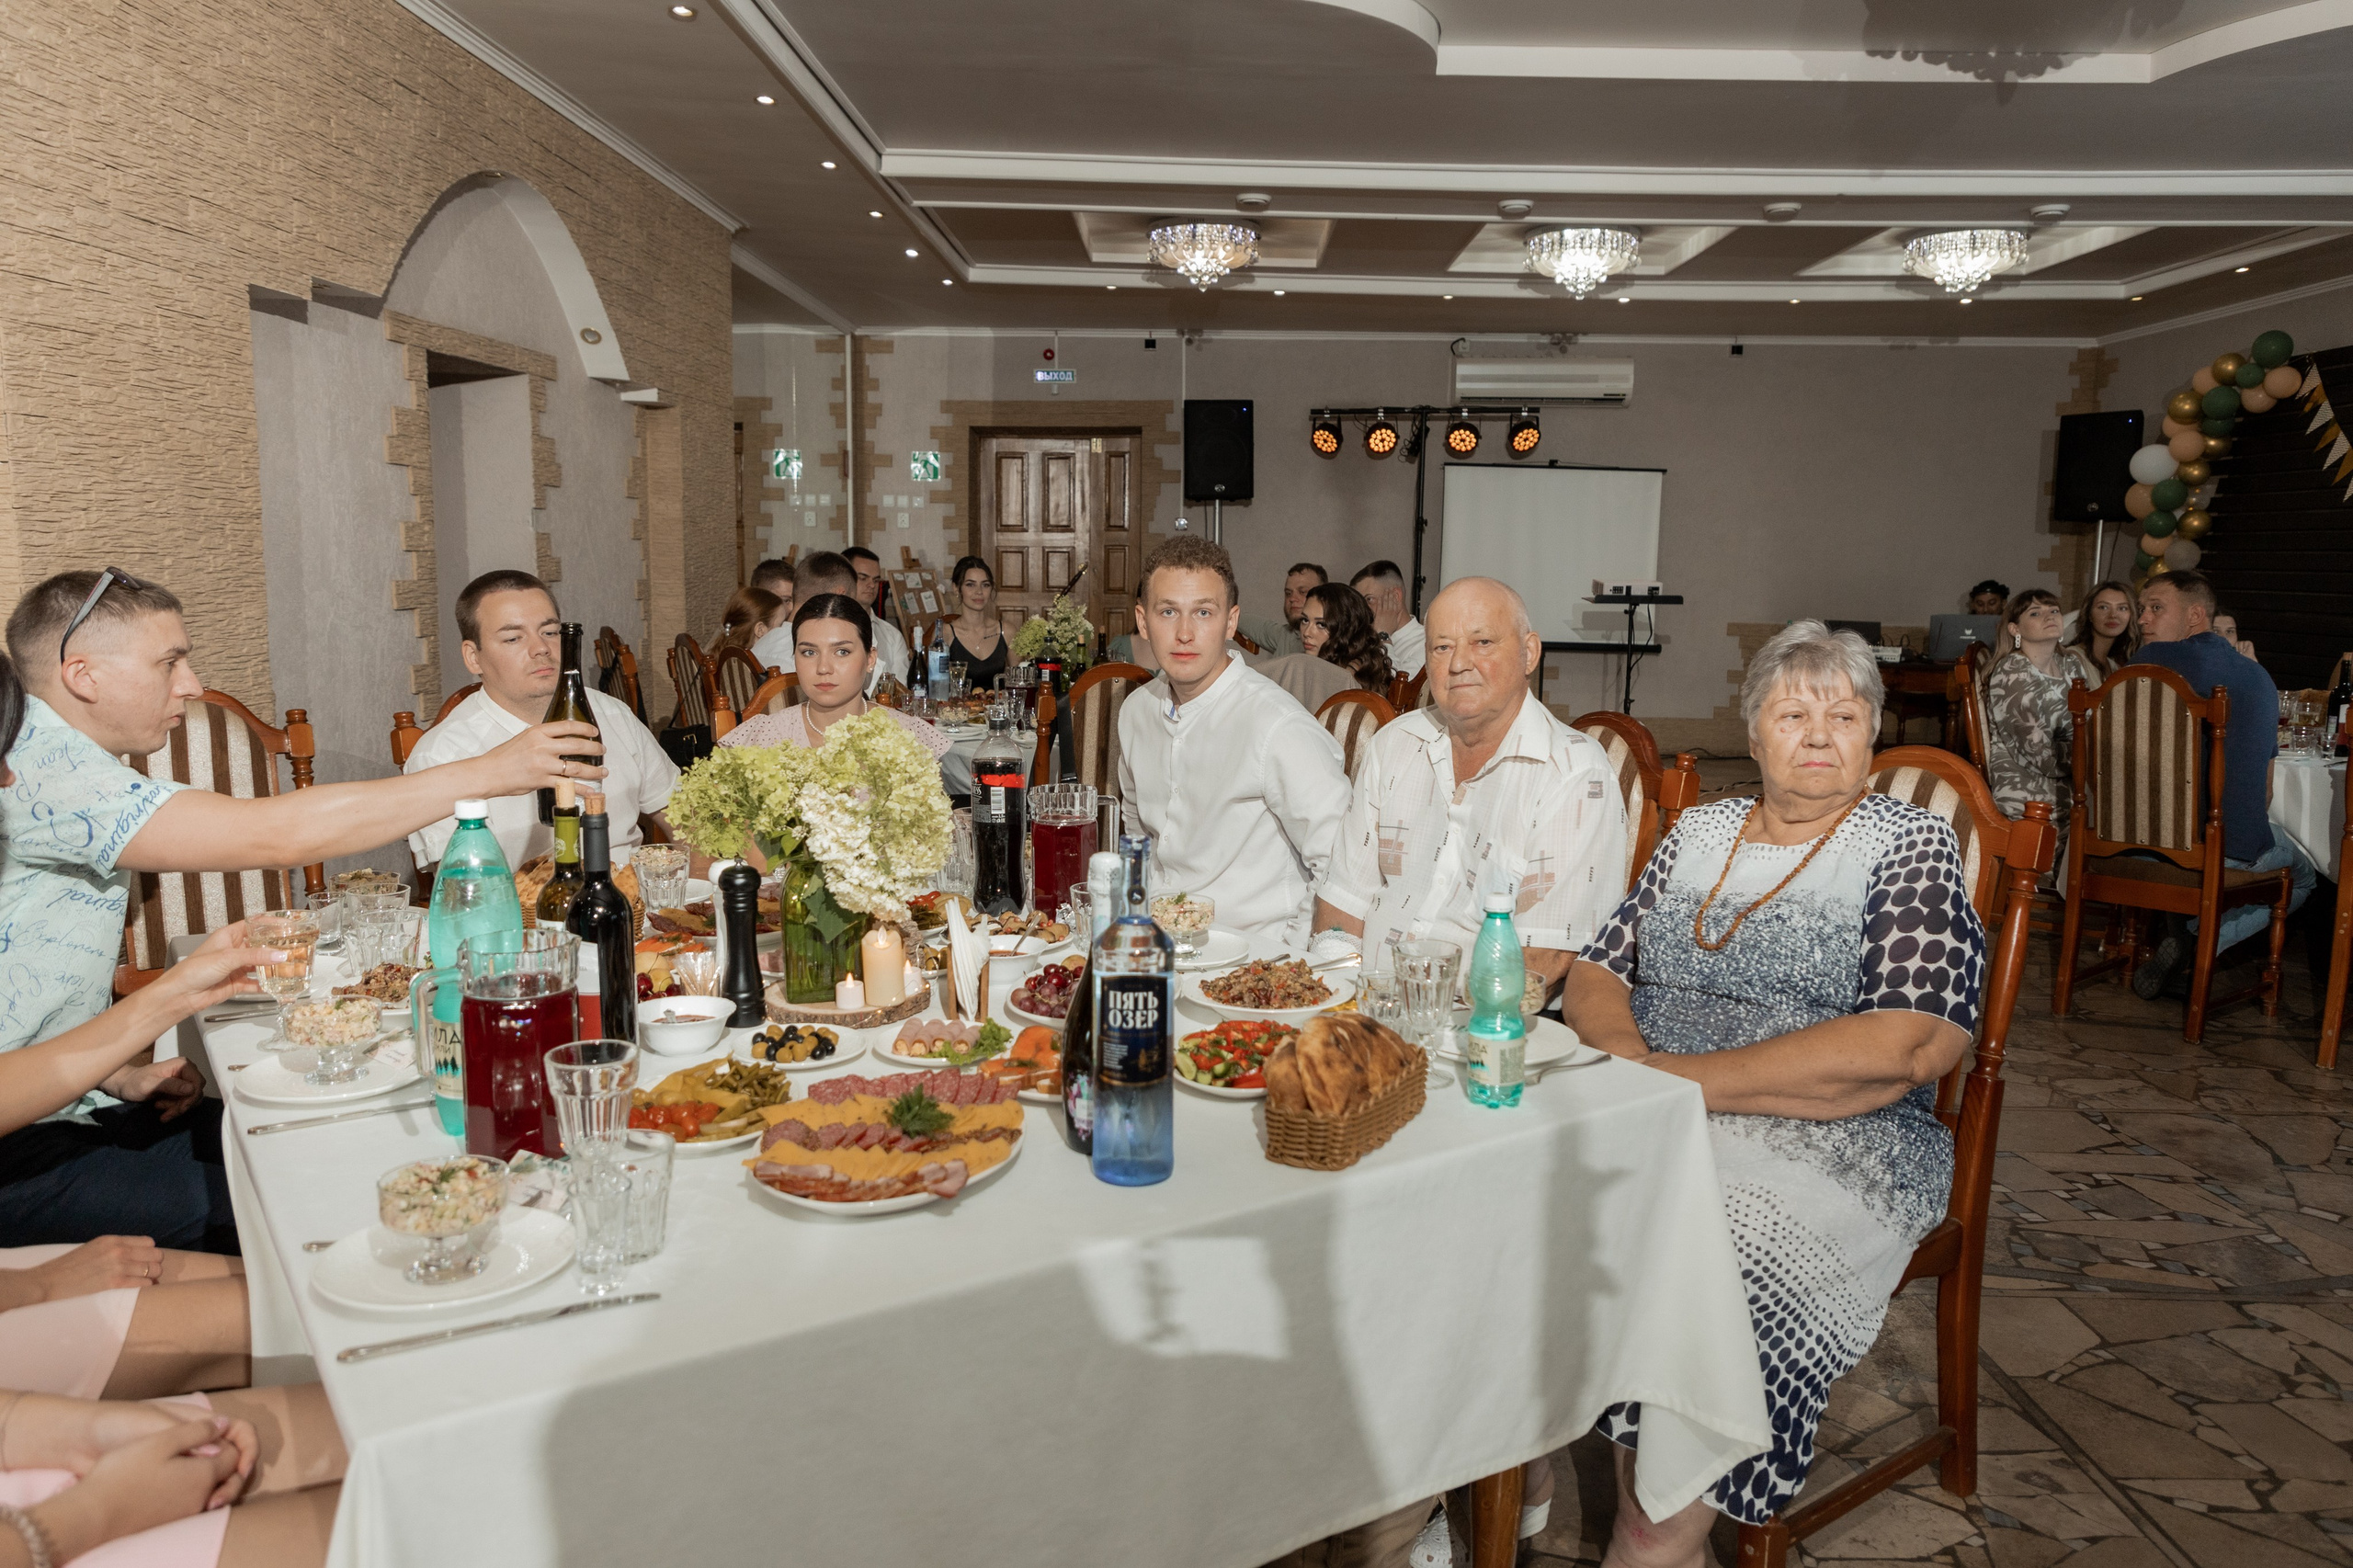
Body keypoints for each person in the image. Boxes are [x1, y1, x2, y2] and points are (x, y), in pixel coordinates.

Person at [1561, 619, 1988, 1561]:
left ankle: (1656, 1521)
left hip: (1837, 1140)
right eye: (1793, 713)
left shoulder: (1907, 844)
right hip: (1653, 1103)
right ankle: (1504, 1447)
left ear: (1871, 734)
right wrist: (1634, 1065)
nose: (1820, 733)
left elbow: (1904, 1042)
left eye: (1844, 713)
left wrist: (1678, 1083)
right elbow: (1595, 972)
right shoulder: (1700, 828)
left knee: (1722, 1250)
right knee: (1510, 1183)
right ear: (1752, 735)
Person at [0, 571, 592, 1248]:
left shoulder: (57, 755)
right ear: (83, 675)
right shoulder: (44, 767)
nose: (192, 685)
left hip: (63, 1104)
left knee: (334, 1145)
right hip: (22, 1152)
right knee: (319, 1197)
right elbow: (274, 835)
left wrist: (115, 1071)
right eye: (169, 662)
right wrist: (492, 769)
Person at [1313, 577, 1626, 999]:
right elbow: (1345, 901)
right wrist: (1338, 997)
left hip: (1479, 1024)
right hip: (1366, 1006)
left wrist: (1435, 1019)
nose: (1459, 663)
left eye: (1482, 642)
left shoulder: (1574, 773)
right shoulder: (1395, 744)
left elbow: (1543, 960)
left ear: (1529, 652)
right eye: (1442, 647)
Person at [1120, 538, 1352, 952]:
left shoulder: (1277, 726)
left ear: (1231, 622)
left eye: (1204, 613)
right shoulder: (1136, 712)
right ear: (1142, 620)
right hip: (1158, 948)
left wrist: (1289, 955)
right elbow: (1138, 833)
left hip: (1252, 960)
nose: (1185, 633)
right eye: (1168, 611)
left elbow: (1341, 861)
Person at [404, 570, 676, 876]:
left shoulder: (613, 715)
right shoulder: (442, 755)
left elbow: (688, 825)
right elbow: (465, 892)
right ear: (473, 657)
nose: (541, 648)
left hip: (630, 905)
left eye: (550, 632)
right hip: (523, 913)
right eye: (513, 638)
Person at [2128, 570, 2313, 997]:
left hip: (2133, 843)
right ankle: (2197, 943)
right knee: (2303, 875)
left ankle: (2185, 935)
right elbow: (2263, 793)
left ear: (2195, 615)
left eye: (2156, 608)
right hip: (2216, 848)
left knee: (2197, 839)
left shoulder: (2140, 666)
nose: (2142, 620)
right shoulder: (2257, 677)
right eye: (2142, 609)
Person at [0, 1383, 347, 1564]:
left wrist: (83, 1427)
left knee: (361, 1413)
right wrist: (98, 1510)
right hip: (45, 1543)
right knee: (380, 1519)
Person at [720, 594, 953, 767]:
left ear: (870, 659)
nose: (823, 668)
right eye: (809, 652)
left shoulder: (908, 736)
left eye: (842, 652)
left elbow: (931, 826)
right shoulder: (763, 736)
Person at [1979, 589, 2102, 876]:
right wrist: (2096, 764)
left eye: (2054, 611)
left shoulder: (2071, 663)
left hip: (2074, 783)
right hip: (2029, 789)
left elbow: (2095, 720)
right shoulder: (2013, 670)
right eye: (2036, 613)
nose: (2049, 616)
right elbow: (2041, 754)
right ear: (2014, 628)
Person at [751, 551, 910, 698]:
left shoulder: (760, 646)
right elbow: (882, 700)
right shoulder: (834, 660)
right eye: (851, 602)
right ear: (839, 597)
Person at [1298, 582, 1393, 694]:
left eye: (1321, 624)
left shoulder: (1346, 678)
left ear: (1346, 629)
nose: (1307, 633)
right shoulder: (1317, 667)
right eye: (1305, 620)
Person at [939, 557, 1009, 691]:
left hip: (997, 710)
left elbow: (1019, 685)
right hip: (958, 709)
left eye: (985, 585)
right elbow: (935, 686)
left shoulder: (1006, 631)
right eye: (970, 584)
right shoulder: (945, 634)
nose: (979, 591)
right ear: (956, 588)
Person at [1349, 561, 1425, 681]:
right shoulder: (1362, 640)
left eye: (1369, 599)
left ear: (1395, 596)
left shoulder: (1425, 643)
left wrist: (1383, 636)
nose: (1362, 609)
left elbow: (1395, 691)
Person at [1238, 562, 1325, 657]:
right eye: (1288, 593)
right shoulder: (1285, 635)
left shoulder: (1336, 643)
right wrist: (1228, 615)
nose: (1292, 598)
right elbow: (1253, 625)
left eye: (1302, 592)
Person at [2065, 579, 2138, 674]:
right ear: (2089, 614)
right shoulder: (2072, 658)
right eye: (2103, 607)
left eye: (2122, 608)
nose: (2113, 615)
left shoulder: (2115, 667)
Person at [714, 586, 787, 654]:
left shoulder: (722, 654)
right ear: (760, 630)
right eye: (781, 624)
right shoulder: (765, 663)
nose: (785, 628)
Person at [844, 546, 898, 632]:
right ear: (844, 579)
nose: (872, 585)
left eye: (876, 580)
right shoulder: (822, 629)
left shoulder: (892, 636)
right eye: (863, 578)